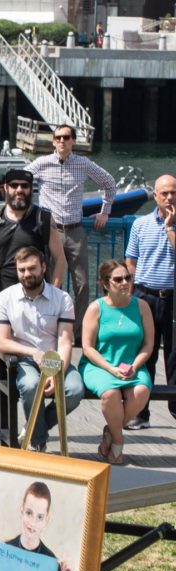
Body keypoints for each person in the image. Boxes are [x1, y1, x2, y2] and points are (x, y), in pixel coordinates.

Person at [0, 169, 66, 440]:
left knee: (36, 357)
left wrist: (53, 297)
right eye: (14, 186)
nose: (19, 191)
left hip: (33, 298)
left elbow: (59, 260)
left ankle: (33, 424)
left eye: (25, 186)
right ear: (4, 188)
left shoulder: (43, 219)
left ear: (31, 189)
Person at [26, 123, 116, 341]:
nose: (62, 141)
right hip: (49, 231)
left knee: (83, 283)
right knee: (45, 280)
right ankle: (46, 328)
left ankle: (78, 333)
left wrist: (105, 212)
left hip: (75, 231)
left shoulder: (83, 164)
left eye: (66, 137)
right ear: (53, 141)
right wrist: (28, 212)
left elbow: (110, 184)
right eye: (58, 137)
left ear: (73, 141)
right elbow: (21, 181)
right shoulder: (41, 163)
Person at [0, 246, 83, 452]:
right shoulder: (5, 298)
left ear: (44, 267)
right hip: (23, 360)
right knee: (31, 384)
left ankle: (34, 427)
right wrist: (33, 352)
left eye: (32, 268)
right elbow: (2, 342)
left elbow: (65, 340)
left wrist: (56, 370)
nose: (26, 274)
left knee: (75, 390)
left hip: (55, 358)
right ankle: (38, 440)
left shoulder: (62, 298)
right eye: (22, 270)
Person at [79, 260, 152, 465]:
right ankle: (118, 443)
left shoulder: (142, 306)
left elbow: (148, 345)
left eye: (127, 277)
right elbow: (88, 348)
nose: (124, 282)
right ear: (104, 283)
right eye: (118, 279)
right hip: (99, 365)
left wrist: (135, 366)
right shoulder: (96, 308)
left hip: (132, 364)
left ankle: (111, 431)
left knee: (141, 392)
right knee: (110, 394)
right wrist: (110, 368)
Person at [123, 174, 176, 431]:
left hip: (173, 296)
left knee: (175, 356)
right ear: (155, 196)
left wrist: (170, 227)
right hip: (145, 296)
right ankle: (140, 412)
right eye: (164, 193)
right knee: (145, 354)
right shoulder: (140, 224)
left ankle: (175, 409)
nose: (169, 197)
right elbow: (130, 261)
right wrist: (128, 295)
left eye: (173, 193)